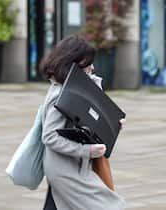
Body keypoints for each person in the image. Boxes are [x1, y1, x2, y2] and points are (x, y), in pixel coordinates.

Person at [39, 34, 126, 210]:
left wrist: (110, 126)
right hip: (65, 168)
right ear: (72, 63)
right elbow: (48, 137)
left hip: (73, 165)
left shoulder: (73, 89)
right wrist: (87, 150)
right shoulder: (59, 94)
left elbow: (84, 123)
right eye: (87, 63)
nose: (92, 67)